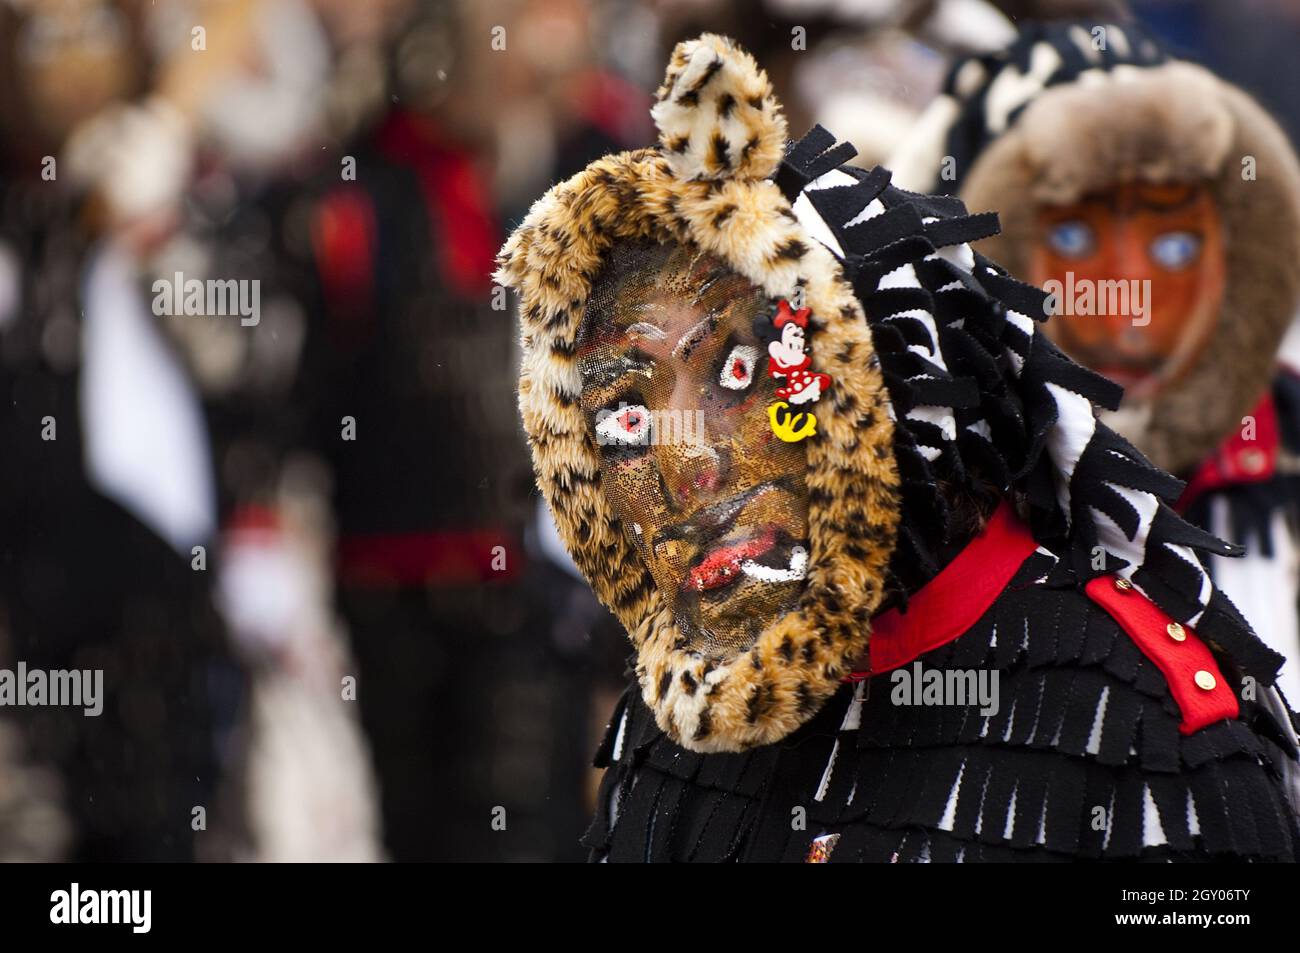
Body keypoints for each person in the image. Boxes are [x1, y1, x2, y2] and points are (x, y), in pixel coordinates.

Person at [495, 33, 1300, 862]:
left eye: (739, 372)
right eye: (626, 418)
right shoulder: (671, 728)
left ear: (875, 379)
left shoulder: (1143, 726)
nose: (686, 461)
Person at [889, 18, 1300, 704]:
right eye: (1074, 236)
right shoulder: (927, 505)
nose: (1131, 312)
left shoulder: (1283, 452)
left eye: (1175, 247)